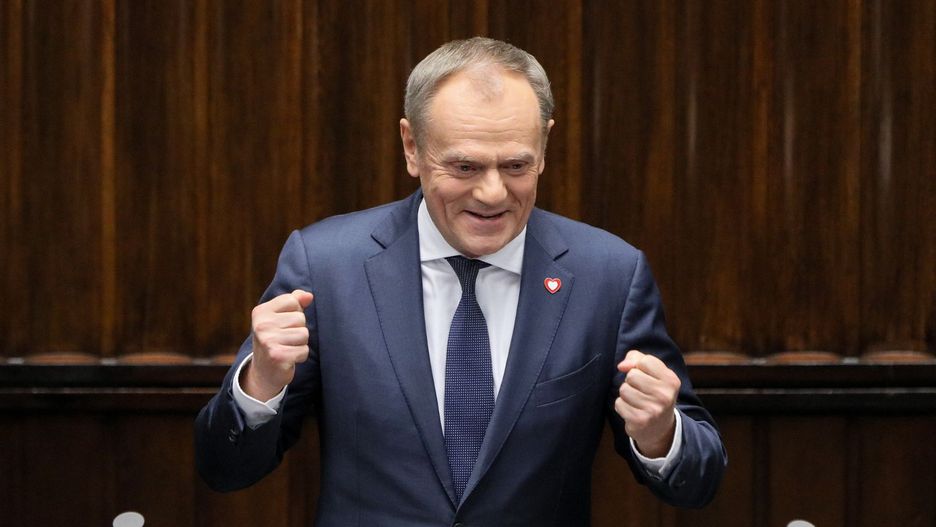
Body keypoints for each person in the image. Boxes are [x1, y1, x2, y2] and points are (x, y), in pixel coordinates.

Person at [195, 36, 726, 525]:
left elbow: (700, 482)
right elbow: (224, 469)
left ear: (544, 146)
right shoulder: (327, 267)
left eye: (515, 165)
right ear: (412, 147)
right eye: (465, 167)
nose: (493, 194)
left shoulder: (608, 275)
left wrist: (660, 434)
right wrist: (260, 385)